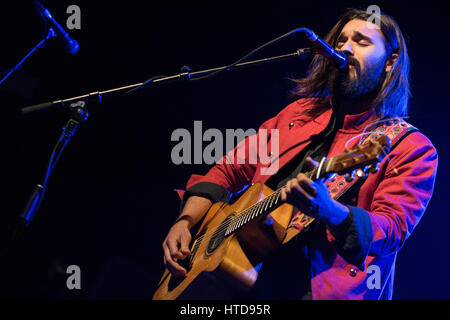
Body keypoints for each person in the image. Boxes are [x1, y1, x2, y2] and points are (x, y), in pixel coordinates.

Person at [161, 8, 438, 300]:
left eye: (361, 41)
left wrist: (332, 212)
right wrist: (186, 222)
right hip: (238, 279)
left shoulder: (409, 146)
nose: (344, 47)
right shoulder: (299, 113)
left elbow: (391, 230)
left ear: (390, 62)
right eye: (341, 40)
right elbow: (229, 169)